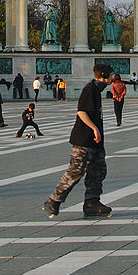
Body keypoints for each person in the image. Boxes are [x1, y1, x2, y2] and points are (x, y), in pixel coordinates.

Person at [43, 61, 110, 219]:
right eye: (111, 76)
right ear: (104, 76)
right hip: (84, 140)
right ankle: (53, 201)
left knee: (98, 171)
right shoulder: (90, 89)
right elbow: (81, 112)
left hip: (95, 141)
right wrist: (94, 128)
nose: (112, 79)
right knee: (75, 171)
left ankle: (92, 202)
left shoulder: (96, 90)